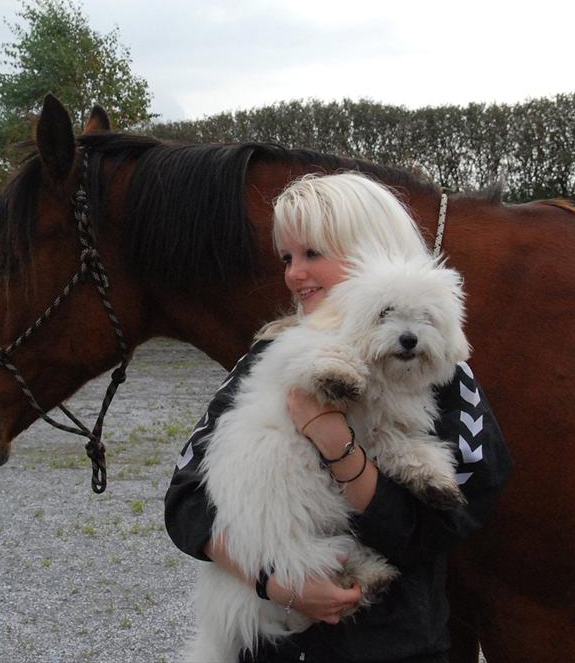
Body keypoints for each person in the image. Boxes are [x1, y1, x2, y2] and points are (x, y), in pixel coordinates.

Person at [165, 172, 513, 663]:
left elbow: (432, 528)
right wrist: (278, 582)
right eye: (287, 258)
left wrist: (334, 442)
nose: (293, 273)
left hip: (388, 648)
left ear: (370, 251)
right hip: (265, 643)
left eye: (313, 254)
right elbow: (185, 502)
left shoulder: (441, 376)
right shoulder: (268, 357)